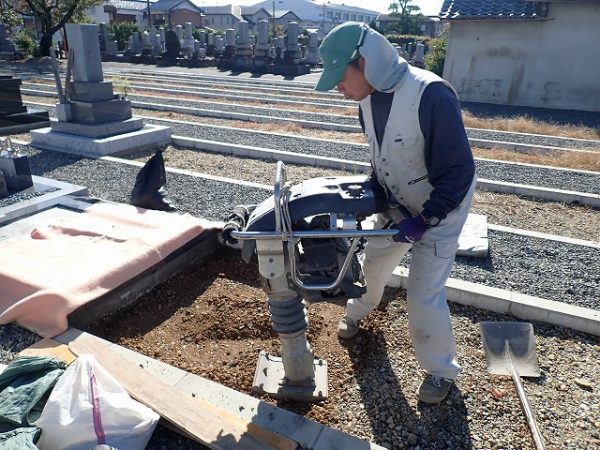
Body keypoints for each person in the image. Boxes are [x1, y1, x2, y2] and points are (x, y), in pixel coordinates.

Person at [315, 22, 477, 404]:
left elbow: (459, 172)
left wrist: (425, 221)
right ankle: (357, 312)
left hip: (441, 209)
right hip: (397, 203)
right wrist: (373, 197)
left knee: (423, 295)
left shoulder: (430, 95)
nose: (339, 87)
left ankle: (441, 370)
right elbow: (381, 155)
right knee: (373, 264)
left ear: (366, 62)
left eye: (340, 77)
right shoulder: (366, 99)